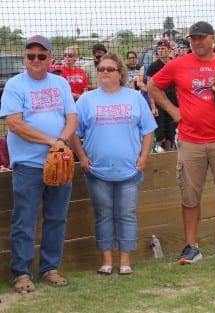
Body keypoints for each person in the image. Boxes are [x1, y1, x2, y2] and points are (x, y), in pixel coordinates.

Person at [147, 21, 215, 265]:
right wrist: (174, 111)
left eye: (201, 38)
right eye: (193, 38)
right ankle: (191, 247)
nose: (196, 42)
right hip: (190, 140)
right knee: (190, 196)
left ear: (213, 38)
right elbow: (152, 86)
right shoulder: (178, 64)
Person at [0, 35, 78, 292]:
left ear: (49, 59)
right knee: (24, 220)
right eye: (30, 55)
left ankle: (49, 269)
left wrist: (62, 141)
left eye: (41, 56)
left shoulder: (61, 84)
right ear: (24, 58)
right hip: (28, 166)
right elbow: (15, 124)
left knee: (57, 218)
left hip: (60, 162)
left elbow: (72, 119)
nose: (35, 60)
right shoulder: (14, 85)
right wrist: (52, 142)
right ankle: (21, 273)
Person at [70, 52, 156, 275]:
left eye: (110, 69)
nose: (105, 72)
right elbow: (73, 133)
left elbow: (148, 130)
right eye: (101, 69)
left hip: (130, 170)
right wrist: (82, 157)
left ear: (120, 73)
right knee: (103, 215)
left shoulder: (135, 97)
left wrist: (144, 157)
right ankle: (106, 261)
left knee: (126, 214)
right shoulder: (87, 100)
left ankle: (125, 261)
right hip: (97, 171)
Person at [146, 39, 177, 151]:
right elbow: (150, 88)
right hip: (160, 103)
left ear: (169, 50)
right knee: (160, 133)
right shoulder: (153, 66)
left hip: (174, 103)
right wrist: (153, 107)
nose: (161, 51)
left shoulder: (175, 63)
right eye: (158, 49)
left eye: (163, 49)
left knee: (171, 133)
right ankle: (158, 154)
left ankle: (169, 154)